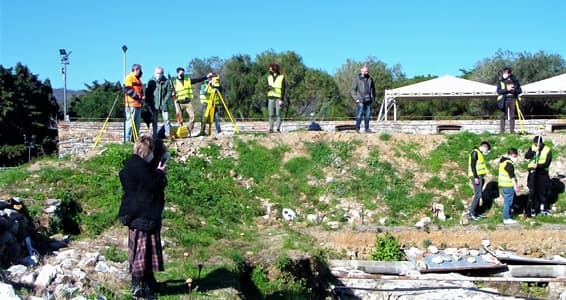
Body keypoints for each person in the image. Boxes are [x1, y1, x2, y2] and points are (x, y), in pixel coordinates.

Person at [118, 135, 168, 297]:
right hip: (142, 214)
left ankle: (148, 281)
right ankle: (137, 286)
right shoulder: (140, 167)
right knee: (141, 251)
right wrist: (160, 173)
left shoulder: (132, 164)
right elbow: (153, 185)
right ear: (147, 151)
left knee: (144, 250)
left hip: (138, 212)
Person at [171, 67, 209, 136]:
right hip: (178, 103)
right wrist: (172, 93)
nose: (182, 73)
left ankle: (188, 131)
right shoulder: (174, 82)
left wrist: (206, 77)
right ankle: (181, 132)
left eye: (183, 72)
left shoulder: (187, 80)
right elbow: (170, 91)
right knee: (180, 119)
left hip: (188, 102)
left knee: (192, 117)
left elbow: (197, 80)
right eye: (181, 72)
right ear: (177, 73)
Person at [524, 136, 552, 216]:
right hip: (533, 172)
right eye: (536, 144)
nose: (537, 146)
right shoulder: (533, 147)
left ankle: (544, 208)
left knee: (543, 191)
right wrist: (534, 151)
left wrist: (538, 166)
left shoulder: (547, 149)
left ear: (542, 143)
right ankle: (534, 209)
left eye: (538, 144)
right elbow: (527, 156)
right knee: (533, 191)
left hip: (542, 173)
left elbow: (547, 163)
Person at [145, 67, 173, 138]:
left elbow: (169, 91)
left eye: (160, 73)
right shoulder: (150, 81)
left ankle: (168, 134)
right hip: (154, 104)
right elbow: (147, 92)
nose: (159, 75)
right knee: (154, 121)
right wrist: (147, 102)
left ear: (163, 73)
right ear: (154, 73)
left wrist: (165, 100)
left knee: (166, 120)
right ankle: (154, 135)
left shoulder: (166, 81)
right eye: (157, 73)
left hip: (163, 104)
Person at [467, 141, 491, 221]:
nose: (486, 152)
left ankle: (476, 212)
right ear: (485, 147)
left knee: (479, 194)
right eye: (487, 150)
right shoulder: (475, 152)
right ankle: (471, 213)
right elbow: (473, 165)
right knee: (478, 194)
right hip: (475, 176)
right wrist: (476, 177)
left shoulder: (479, 153)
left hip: (479, 176)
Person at [496, 67, 522, 134]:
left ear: (509, 73)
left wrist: (514, 90)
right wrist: (507, 90)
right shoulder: (500, 81)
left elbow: (520, 90)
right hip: (503, 100)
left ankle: (512, 131)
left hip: (513, 99)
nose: (504, 74)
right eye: (503, 72)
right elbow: (498, 91)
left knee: (512, 116)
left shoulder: (515, 81)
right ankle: (502, 131)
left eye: (506, 72)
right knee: (502, 115)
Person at [351, 66, 376, 133]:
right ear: (361, 71)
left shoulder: (370, 79)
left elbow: (373, 90)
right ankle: (357, 129)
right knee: (359, 114)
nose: (367, 72)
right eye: (365, 71)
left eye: (367, 71)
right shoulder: (356, 79)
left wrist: (373, 98)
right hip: (360, 100)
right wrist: (356, 99)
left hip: (368, 100)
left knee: (367, 115)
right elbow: (353, 90)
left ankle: (367, 129)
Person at [498, 148, 520, 225]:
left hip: (503, 184)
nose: (516, 158)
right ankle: (506, 218)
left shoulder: (503, 161)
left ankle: (507, 216)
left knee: (507, 201)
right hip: (508, 185)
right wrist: (516, 186)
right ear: (512, 155)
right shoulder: (509, 164)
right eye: (515, 156)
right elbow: (512, 176)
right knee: (508, 202)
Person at [123, 64, 144, 142]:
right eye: (140, 70)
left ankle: (134, 139)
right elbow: (128, 90)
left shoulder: (138, 80)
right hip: (131, 104)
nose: (141, 72)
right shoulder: (129, 78)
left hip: (138, 104)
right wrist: (138, 97)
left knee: (137, 124)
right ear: (136, 69)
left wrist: (142, 97)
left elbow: (141, 91)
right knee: (130, 124)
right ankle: (127, 140)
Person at [267, 63, 286, 133]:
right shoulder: (269, 77)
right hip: (270, 97)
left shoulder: (282, 77)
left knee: (278, 113)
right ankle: (270, 128)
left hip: (278, 97)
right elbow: (267, 86)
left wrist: (282, 99)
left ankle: (278, 128)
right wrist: (268, 88)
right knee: (270, 114)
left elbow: (283, 88)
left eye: (270, 68)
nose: (269, 69)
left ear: (274, 68)